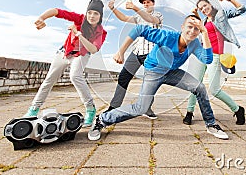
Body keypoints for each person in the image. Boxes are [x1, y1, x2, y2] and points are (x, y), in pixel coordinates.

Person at [88, 15, 229, 141]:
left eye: (196, 29)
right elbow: (139, 29)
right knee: (141, 108)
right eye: (190, 27)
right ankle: (101, 120)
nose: (192, 31)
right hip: (153, 72)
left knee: (199, 87)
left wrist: (205, 32)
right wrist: (121, 52)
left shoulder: (195, 43)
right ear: (182, 27)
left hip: (172, 72)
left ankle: (211, 124)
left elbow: (207, 59)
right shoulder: (167, 36)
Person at [24, 0, 107, 128]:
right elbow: (57, 11)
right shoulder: (80, 19)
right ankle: (34, 109)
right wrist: (42, 18)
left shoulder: (101, 31)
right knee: (49, 79)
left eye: (96, 13)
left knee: (75, 76)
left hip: (82, 54)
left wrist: (78, 34)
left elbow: (93, 49)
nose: (92, 16)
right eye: (90, 12)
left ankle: (90, 109)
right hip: (65, 52)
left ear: (100, 16)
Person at [183, 0, 246, 126]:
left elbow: (242, 9)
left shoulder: (221, 15)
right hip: (202, 54)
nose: (204, 9)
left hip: (216, 55)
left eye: (205, 6)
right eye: (201, 8)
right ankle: (189, 112)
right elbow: (202, 29)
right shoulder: (205, 21)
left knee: (214, 89)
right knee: (195, 84)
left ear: (210, 4)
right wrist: (195, 14)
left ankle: (238, 109)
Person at [105, 0, 163, 119]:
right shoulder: (138, 17)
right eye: (144, 3)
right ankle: (114, 107)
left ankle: (147, 108)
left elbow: (151, 20)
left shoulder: (158, 15)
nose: (146, 4)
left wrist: (135, 8)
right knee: (123, 78)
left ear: (153, 3)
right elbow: (124, 18)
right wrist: (113, 8)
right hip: (136, 52)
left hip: (151, 53)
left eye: (148, 2)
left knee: (149, 83)